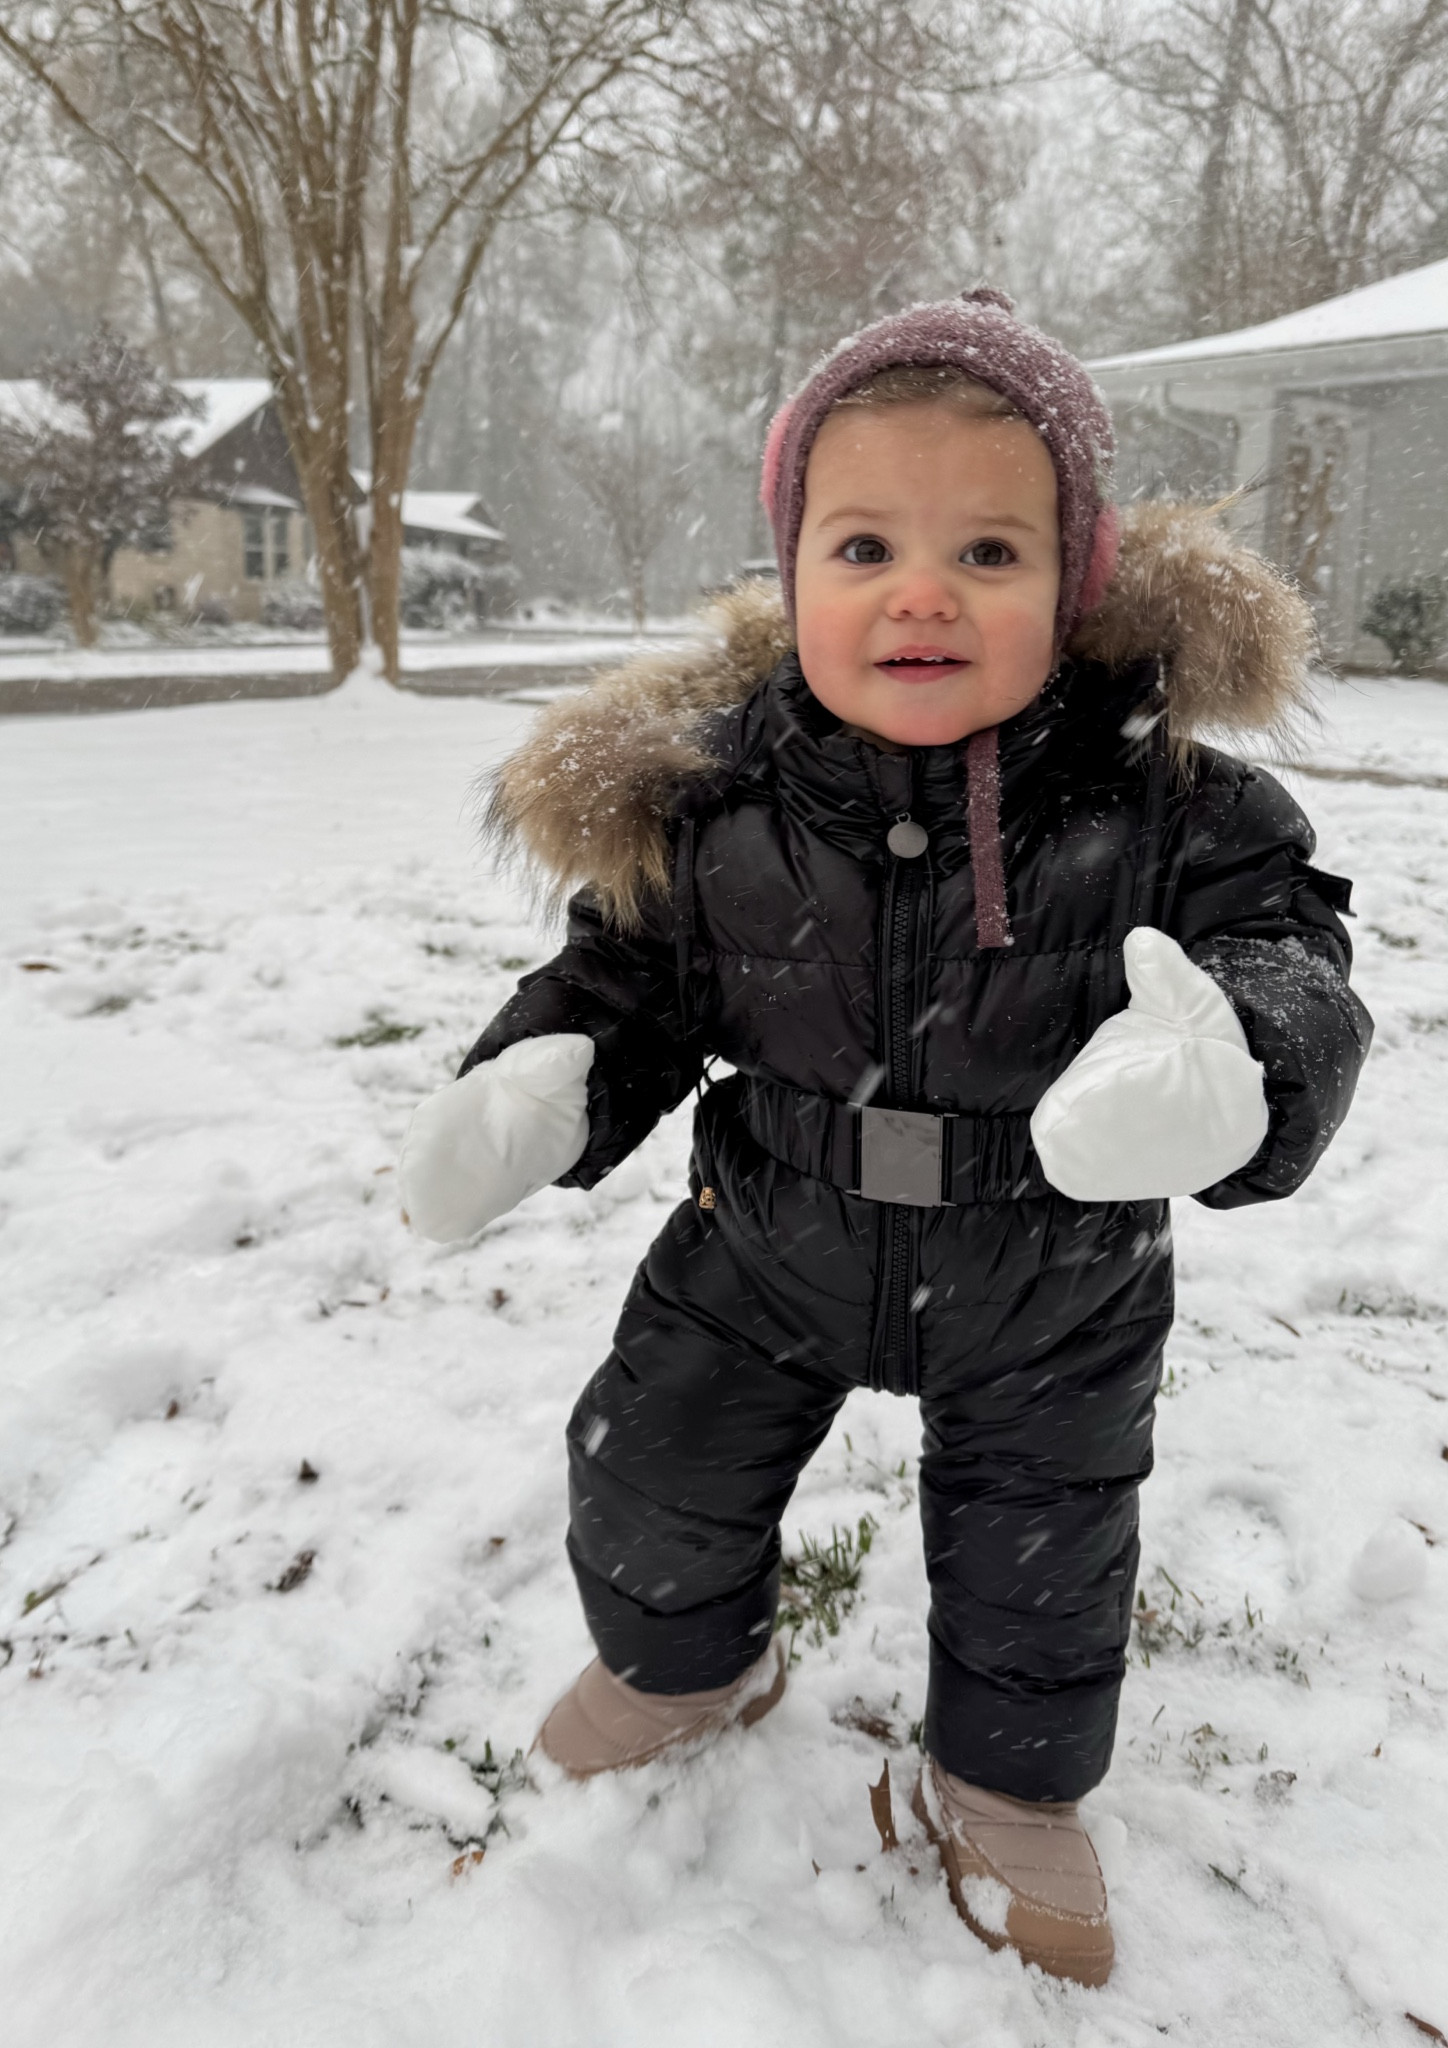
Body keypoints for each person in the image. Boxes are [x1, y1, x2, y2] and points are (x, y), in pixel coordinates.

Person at [398, 291, 1371, 1986]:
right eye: (864, 545)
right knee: (651, 1473)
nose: (921, 590)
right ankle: (685, 1665)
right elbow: (622, 971)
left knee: (1044, 1553)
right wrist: (550, 1071)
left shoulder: (1169, 803)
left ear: (1075, 581)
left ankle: (1008, 1791)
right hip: (767, 1231)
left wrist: (1242, 1057)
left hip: (1052, 1269)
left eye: (989, 551)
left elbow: (1286, 944)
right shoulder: (716, 804)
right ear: (793, 577)